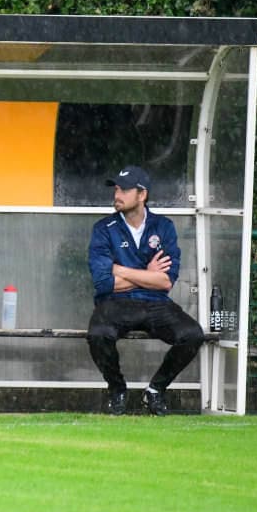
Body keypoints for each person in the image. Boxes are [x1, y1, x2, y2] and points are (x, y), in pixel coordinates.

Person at [87, 165, 205, 416]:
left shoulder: (164, 227)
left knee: (192, 334)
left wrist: (121, 269)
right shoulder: (102, 228)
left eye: (124, 189)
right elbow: (103, 283)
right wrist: (147, 273)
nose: (117, 194)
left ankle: (155, 390)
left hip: (156, 303)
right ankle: (117, 389)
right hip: (115, 302)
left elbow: (165, 282)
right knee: (98, 333)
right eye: (116, 188)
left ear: (142, 195)